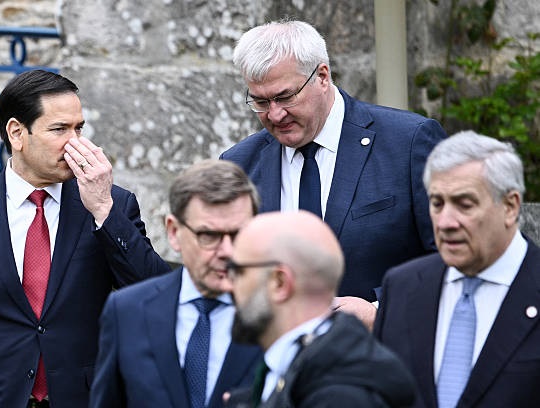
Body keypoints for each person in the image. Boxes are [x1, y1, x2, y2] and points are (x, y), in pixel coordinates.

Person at [0, 70, 171, 407]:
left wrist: (104, 210)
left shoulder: (111, 204)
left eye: (79, 128)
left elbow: (158, 295)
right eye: (59, 129)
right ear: (17, 133)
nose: (75, 143)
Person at [220, 20, 447, 322]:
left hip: (385, 345)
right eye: (260, 102)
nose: (275, 114)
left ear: (323, 76)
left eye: (285, 97)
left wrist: (379, 311)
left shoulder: (408, 142)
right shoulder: (240, 164)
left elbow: (450, 258)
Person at [374, 131, 540, 408]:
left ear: (510, 206)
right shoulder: (401, 287)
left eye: (465, 205)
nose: (445, 222)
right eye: (437, 204)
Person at [90, 159, 263, 408]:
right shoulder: (127, 311)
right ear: (173, 232)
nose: (227, 251)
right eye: (209, 235)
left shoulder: (280, 314)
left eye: (239, 234)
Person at [225, 211, 416, 408]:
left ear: (279, 283)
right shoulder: (302, 373)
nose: (228, 285)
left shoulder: (342, 396)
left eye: (238, 271)